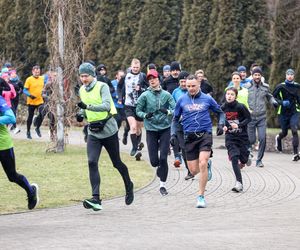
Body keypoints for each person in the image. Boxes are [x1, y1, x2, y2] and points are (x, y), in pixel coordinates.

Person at [76, 62, 134, 211]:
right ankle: (96, 199)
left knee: (116, 163)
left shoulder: (102, 87)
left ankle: (128, 184)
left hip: (108, 130)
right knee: (91, 162)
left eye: (86, 75)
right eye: (82, 76)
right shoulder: (82, 89)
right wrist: (81, 114)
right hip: (93, 131)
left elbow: (107, 106)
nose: (84, 79)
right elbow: (85, 107)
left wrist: (87, 107)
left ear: (93, 75)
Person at [171, 74, 225, 208]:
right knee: (193, 171)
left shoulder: (207, 98)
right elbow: (175, 119)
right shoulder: (182, 100)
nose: (191, 88)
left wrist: (220, 124)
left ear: (199, 85)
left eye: (193, 86)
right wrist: (173, 134)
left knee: (202, 163)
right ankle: (206, 167)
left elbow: (220, 112)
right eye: (188, 86)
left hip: (204, 135)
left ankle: (201, 196)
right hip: (189, 137)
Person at [136, 69, 175, 196]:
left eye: (154, 78)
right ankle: (159, 169)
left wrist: (168, 112)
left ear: (159, 79)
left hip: (165, 128)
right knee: (154, 161)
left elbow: (175, 109)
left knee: (163, 158)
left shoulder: (167, 95)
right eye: (149, 79)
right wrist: (146, 115)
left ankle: (162, 185)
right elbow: (138, 110)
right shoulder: (145, 95)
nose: (152, 80)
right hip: (151, 130)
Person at [0, 82, 39, 210]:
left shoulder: (0, 101)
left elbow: (11, 118)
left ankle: (31, 191)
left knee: (12, 176)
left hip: (3, 146)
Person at [244, 67, 278, 168]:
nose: (257, 77)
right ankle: (248, 151)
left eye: (259, 75)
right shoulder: (247, 87)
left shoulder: (265, 87)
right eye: (255, 75)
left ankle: (259, 160)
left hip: (261, 117)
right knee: (251, 140)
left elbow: (269, 96)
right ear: (252, 76)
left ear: (261, 76)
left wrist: (273, 102)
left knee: (262, 138)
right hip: (250, 117)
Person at [221, 87, 251, 192]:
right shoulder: (223, 108)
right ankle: (239, 183)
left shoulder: (240, 107)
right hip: (230, 137)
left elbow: (249, 118)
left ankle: (246, 158)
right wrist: (223, 127)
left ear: (236, 96)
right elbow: (221, 121)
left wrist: (238, 125)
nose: (229, 96)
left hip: (242, 137)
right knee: (234, 157)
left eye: (232, 94)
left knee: (244, 159)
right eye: (228, 94)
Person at [118, 58, 148, 160]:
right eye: (134, 67)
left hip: (140, 106)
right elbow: (119, 87)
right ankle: (134, 148)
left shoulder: (143, 76)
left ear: (140, 67)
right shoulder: (126, 76)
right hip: (128, 105)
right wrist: (120, 98)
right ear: (131, 67)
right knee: (133, 126)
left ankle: (138, 143)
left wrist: (142, 89)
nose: (135, 69)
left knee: (138, 129)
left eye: (137, 67)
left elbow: (149, 88)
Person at [273, 69, 300, 161]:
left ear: (294, 76)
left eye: (292, 74)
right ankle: (278, 138)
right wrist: (281, 102)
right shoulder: (280, 86)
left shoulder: (297, 86)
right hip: (283, 112)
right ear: (285, 75)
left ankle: (296, 153)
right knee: (284, 132)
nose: (290, 76)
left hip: (294, 111)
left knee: (294, 129)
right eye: (288, 74)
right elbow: (273, 98)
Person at [23, 65, 45, 139]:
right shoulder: (29, 79)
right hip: (31, 101)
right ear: (32, 71)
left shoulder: (42, 78)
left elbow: (47, 84)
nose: (37, 73)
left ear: (40, 71)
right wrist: (30, 95)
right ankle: (28, 132)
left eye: (38, 72)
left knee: (43, 113)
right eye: (35, 72)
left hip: (40, 100)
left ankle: (37, 127)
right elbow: (24, 90)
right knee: (30, 117)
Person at [111, 70, 130, 144]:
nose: (121, 77)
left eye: (123, 76)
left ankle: (125, 134)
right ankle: (115, 136)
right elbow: (109, 93)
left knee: (128, 124)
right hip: (116, 106)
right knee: (118, 120)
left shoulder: (126, 82)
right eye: (120, 75)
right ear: (116, 76)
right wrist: (116, 96)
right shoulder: (112, 83)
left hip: (125, 106)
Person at [8, 69, 23, 134]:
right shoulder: (8, 81)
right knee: (13, 112)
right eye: (12, 74)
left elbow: (22, 88)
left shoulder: (19, 81)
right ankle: (14, 127)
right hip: (9, 99)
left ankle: (10, 125)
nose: (14, 75)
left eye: (14, 73)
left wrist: (20, 91)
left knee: (14, 112)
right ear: (10, 75)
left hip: (16, 99)